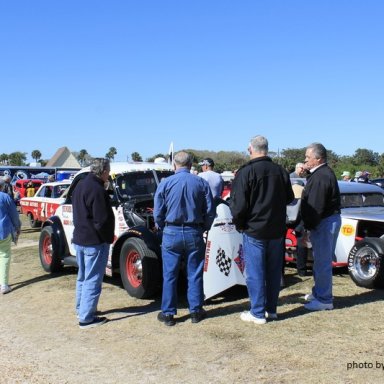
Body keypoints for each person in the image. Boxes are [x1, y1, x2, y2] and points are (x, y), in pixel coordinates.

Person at [229, 135, 294, 324]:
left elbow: (238, 205)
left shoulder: (246, 172)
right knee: (274, 272)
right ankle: (271, 309)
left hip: (254, 229)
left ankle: (257, 312)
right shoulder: (280, 171)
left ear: (250, 149)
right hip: (276, 229)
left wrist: (240, 223)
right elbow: (289, 197)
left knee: (255, 272)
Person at [154, 151, 215, 326]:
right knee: (194, 273)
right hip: (193, 231)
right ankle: (195, 311)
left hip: (171, 231)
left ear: (175, 165)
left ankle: (168, 314)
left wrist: (163, 227)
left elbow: (158, 212)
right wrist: (204, 227)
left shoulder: (165, 183)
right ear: (191, 165)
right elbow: (210, 211)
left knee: (169, 274)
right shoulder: (201, 183)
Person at [72, 158, 115, 329]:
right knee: (92, 279)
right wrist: (107, 238)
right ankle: (86, 317)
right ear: (103, 171)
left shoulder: (81, 185)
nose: (109, 174)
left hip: (81, 238)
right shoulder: (97, 189)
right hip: (94, 241)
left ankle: (81, 309)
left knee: (83, 277)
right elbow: (101, 220)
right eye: (108, 170)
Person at [301, 143, 341, 311]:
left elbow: (315, 206)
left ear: (318, 159)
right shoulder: (320, 174)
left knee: (322, 262)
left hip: (324, 222)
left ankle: (324, 299)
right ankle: (319, 292)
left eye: (308, 158)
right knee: (319, 260)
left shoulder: (322, 176)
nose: (305, 160)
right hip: (325, 221)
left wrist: (307, 229)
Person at [0, 178, 21, 294]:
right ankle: (4, 285)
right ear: (2, 187)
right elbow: (14, 215)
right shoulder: (5, 197)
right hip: (3, 231)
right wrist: (17, 227)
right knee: (4, 256)